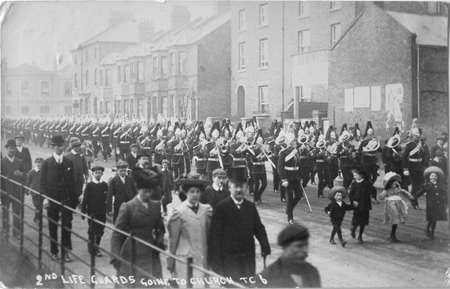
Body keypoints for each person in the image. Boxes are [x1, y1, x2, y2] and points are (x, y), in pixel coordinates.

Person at [208, 174, 271, 283]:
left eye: (242, 187)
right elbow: (215, 236)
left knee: (247, 284)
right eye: (235, 186)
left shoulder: (250, 207)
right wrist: (216, 262)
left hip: (247, 256)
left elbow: (259, 228)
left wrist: (265, 245)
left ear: (246, 189)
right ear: (229, 188)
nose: (239, 190)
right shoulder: (222, 207)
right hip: (228, 258)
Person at [110, 167, 165, 282]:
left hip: (151, 251)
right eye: (145, 191)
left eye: (150, 191)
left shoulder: (155, 206)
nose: (148, 194)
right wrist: (115, 256)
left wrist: (159, 241)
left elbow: (160, 228)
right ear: (138, 189)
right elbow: (117, 233)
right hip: (132, 251)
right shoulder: (128, 207)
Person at [167, 176, 212, 285]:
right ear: (186, 193)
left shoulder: (206, 210)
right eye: (192, 192)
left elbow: (209, 235)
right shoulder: (178, 212)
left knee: (201, 284)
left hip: (201, 255)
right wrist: (171, 260)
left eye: (197, 192)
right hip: (184, 257)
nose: (195, 195)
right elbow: (173, 239)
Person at [40, 135, 75, 261]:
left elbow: (71, 183)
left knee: (67, 225)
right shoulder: (47, 163)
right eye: (57, 146)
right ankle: (54, 251)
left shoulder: (68, 162)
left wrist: (72, 201)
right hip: (52, 199)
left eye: (61, 145)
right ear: (53, 146)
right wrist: (45, 198)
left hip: (65, 199)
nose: (60, 148)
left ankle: (65, 252)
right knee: (53, 225)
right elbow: (42, 183)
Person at [259, 224, 321, 288]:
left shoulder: (312, 272)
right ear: (285, 247)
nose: (305, 250)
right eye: (299, 246)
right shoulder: (268, 277)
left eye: (306, 245)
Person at [1, 139, 26, 239]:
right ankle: (5, 230)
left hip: (16, 193)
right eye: (10, 148)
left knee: (17, 213)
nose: (12, 150)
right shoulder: (2, 162)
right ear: (6, 149)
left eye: (14, 148)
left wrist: (21, 174)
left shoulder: (20, 162)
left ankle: (16, 232)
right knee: (5, 212)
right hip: (5, 192)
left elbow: (25, 177)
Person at [378, 172, 414, 243]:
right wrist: (382, 196)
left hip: (398, 204)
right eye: (394, 183)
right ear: (390, 184)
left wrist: (410, 196)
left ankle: (393, 234)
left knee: (397, 218)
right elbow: (381, 197)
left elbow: (404, 192)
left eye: (396, 183)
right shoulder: (387, 190)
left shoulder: (398, 189)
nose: (396, 184)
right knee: (395, 217)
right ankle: (392, 235)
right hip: (391, 204)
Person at [81, 166, 108, 256]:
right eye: (96, 173)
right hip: (92, 212)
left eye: (100, 173)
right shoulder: (90, 185)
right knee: (92, 231)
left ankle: (97, 247)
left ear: (102, 174)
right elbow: (85, 199)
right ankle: (91, 248)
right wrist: (83, 211)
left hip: (102, 212)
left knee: (100, 231)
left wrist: (108, 210)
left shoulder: (104, 185)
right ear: (93, 174)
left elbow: (107, 198)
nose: (98, 174)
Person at [415, 166, 448, 240]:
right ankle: (427, 229)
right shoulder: (427, 185)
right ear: (429, 177)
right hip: (430, 205)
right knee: (432, 218)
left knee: (435, 219)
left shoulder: (440, 185)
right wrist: (414, 197)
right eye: (432, 176)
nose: (433, 177)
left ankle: (432, 232)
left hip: (438, 204)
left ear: (437, 177)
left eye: (435, 176)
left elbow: (444, 194)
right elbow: (420, 192)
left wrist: (445, 202)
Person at [278, 133, 303, 224]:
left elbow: (299, 165)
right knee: (290, 198)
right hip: (288, 177)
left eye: (295, 141)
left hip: (296, 177)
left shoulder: (297, 151)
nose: (295, 142)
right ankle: (290, 217)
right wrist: (283, 179)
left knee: (299, 196)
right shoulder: (283, 153)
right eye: (293, 141)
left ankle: (289, 209)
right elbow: (280, 168)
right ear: (289, 142)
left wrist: (300, 176)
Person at [348, 166, 377, 244]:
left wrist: (374, 198)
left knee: (363, 221)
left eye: (356, 175)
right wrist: (353, 201)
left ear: (361, 175)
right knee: (356, 219)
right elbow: (351, 194)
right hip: (357, 205)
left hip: (365, 204)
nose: (354, 176)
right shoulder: (354, 184)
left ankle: (360, 236)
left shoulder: (367, 183)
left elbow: (373, 190)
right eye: (354, 175)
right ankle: (353, 229)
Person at [65, 137, 88, 208]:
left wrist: (86, 174)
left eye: (79, 146)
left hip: (80, 179)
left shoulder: (81, 156)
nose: (79, 148)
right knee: (72, 193)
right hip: (71, 179)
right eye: (77, 147)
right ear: (73, 147)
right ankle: (72, 206)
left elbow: (85, 166)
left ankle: (76, 204)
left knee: (79, 192)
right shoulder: (67, 156)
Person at [26, 157, 44, 224]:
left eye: (41, 163)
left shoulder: (44, 172)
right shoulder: (32, 172)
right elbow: (28, 181)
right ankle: (38, 219)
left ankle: (37, 218)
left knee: (40, 207)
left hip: (42, 192)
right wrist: (27, 190)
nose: (39, 164)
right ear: (35, 163)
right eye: (38, 162)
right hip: (34, 192)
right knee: (37, 206)